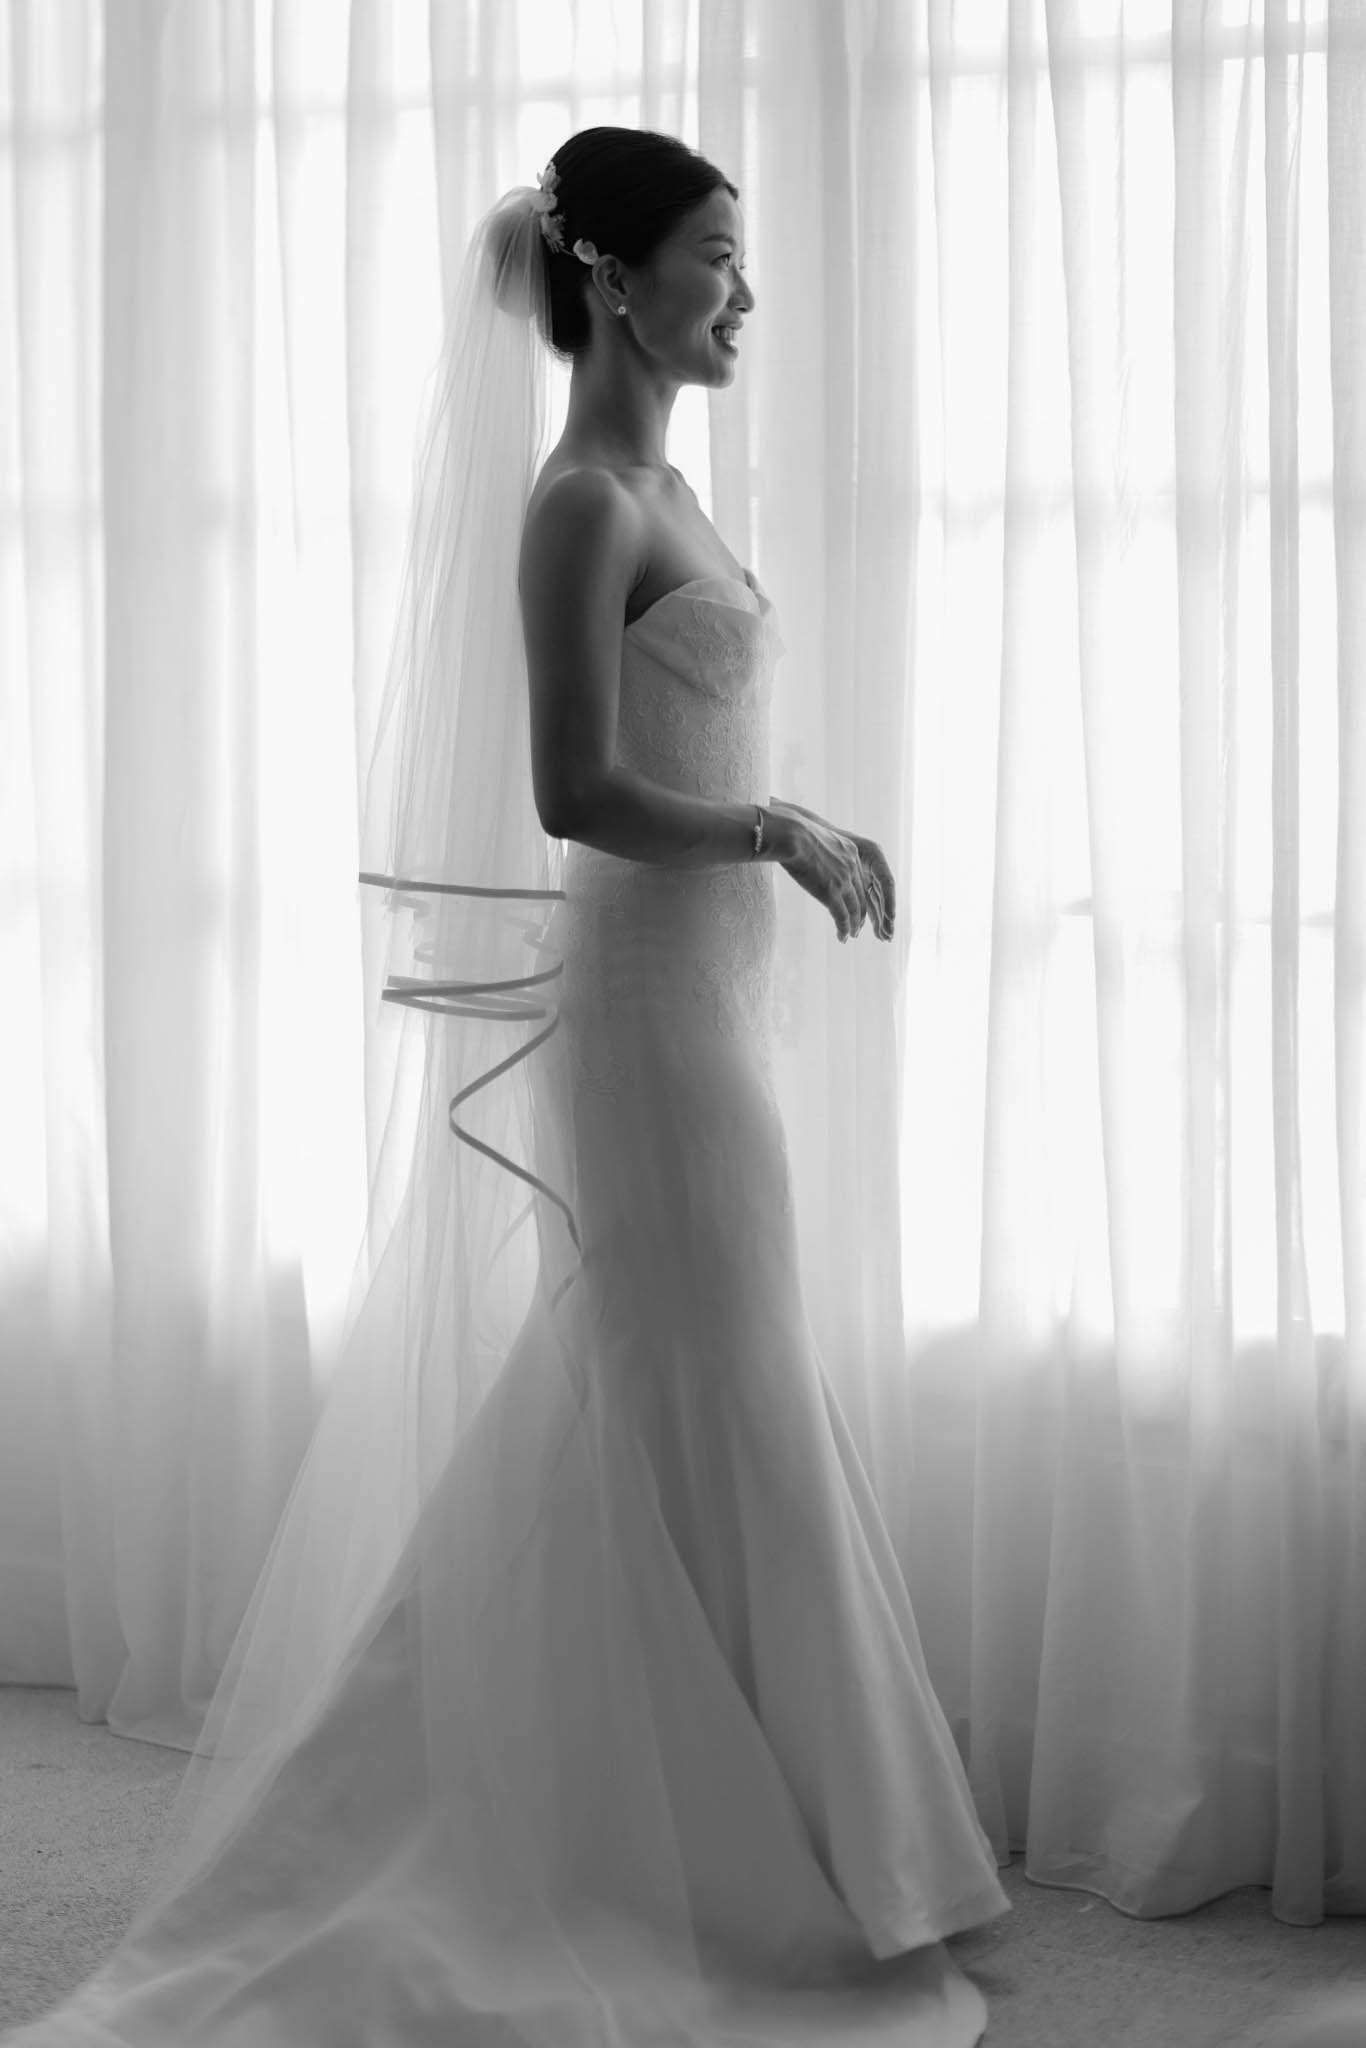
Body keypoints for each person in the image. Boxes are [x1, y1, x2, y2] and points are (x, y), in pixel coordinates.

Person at [3, 127, 1010, 2048]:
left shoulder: (673, 484)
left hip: (710, 1003)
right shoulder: (578, 505)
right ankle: (633, 1853)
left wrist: (779, 831)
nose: (742, 291)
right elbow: (573, 795)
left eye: (743, 256)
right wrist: (774, 828)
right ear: (612, 276)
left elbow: (683, 733)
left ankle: (747, 1823)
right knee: (700, 1389)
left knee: (667, 1399)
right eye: (715, 254)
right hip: (644, 1011)